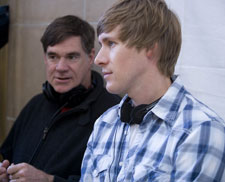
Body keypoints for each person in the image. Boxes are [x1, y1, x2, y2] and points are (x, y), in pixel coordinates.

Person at [80, 0, 225, 181]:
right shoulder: (105, 124)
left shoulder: (201, 130)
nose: (98, 59)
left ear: (150, 47)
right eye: (101, 45)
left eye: (111, 44)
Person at [0, 15, 120, 182]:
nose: (60, 68)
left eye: (72, 57)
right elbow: (7, 156)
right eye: (53, 57)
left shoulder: (113, 113)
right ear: (44, 58)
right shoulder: (35, 105)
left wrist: (49, 180)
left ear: (91, 57)